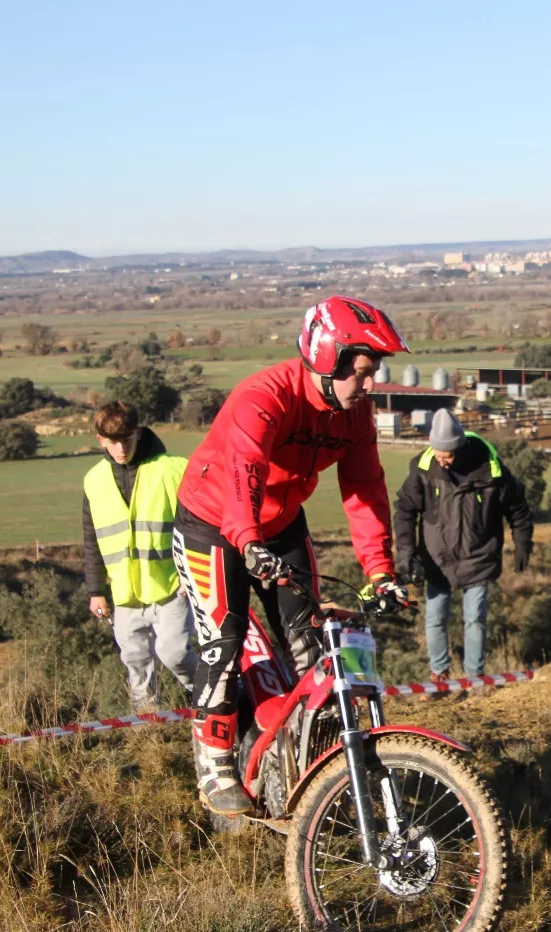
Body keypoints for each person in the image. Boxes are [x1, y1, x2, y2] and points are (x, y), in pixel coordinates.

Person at [171, 295, 410, 816]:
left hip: (279, 524)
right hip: (213, 523)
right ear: (327, 359)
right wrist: (248, 541)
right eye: (362, 373)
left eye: (374, 372)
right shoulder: (264, 397)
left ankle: (308, 761)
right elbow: (245, 471)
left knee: (310, 644)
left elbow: (365, 490)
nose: (370, 385)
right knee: (224, 640)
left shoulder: (355, 414)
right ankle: (215, 764)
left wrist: (380, 572)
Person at [394, 409, 533, 681]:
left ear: (460, 448)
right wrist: (407, 552)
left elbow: (517, 508)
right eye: (438, 455)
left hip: (478, 557)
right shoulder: (423, 468)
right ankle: (439, 673)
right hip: (437, 558)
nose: (442, 462)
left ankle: (474, 677)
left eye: (447, 456)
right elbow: (405, 511)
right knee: (434, 619)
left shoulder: (490, 468)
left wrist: (522, 543)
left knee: (475, 619)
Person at [81, 400, 196, 710]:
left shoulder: (175, 468)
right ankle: (148, 725)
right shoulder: (94, 480)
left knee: (174, 654)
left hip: (173, 586)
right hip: (125, 593)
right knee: (134, 659)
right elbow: (92, 538)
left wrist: (192, 575)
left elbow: (199, 527)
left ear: (139, 432)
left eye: (127, 439)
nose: (121, 449)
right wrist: (95, 591)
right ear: (100, 440)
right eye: (113, 441)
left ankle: (210, 703)